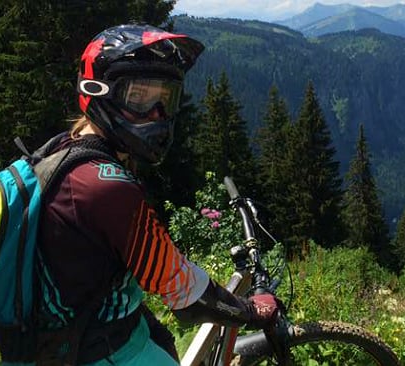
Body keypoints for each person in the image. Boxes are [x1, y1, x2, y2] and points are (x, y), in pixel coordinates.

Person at [33, 24, 279, 365]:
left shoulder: (63, 150)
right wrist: (252, 311)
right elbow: (184, 292)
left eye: (165, 99)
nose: (157, 115)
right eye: (139, 97)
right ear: (97, 90)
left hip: (68, 334)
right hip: (98, 351)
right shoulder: (106, 188)